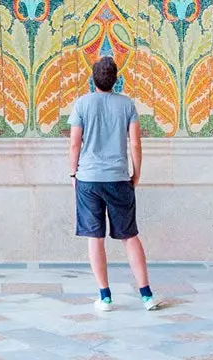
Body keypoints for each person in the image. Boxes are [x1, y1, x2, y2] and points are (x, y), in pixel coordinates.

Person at [68, 55, 158, 313]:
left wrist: (73, 174)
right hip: (119, 178)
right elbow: (136, 144)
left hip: (88, 179)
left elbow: (75, 143)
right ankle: (146, 295)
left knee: (95, 238)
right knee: (130, 237)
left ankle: (105, 297)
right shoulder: (127, 104)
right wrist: (136, 173)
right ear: (115, 80)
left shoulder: (82, 104)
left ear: (93, 78)